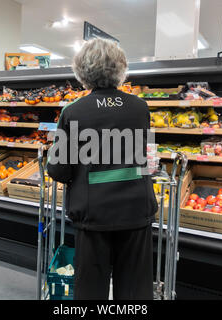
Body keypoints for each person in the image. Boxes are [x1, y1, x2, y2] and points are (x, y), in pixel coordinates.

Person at [47, 38, 158, 300]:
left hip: (94, 213)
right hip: (136, 211)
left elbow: (59, 170)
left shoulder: (73, 112)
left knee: (91, 289)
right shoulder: (140, 107)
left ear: (82, 72)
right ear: (120, 68)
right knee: (135, 290)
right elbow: (147, 160)